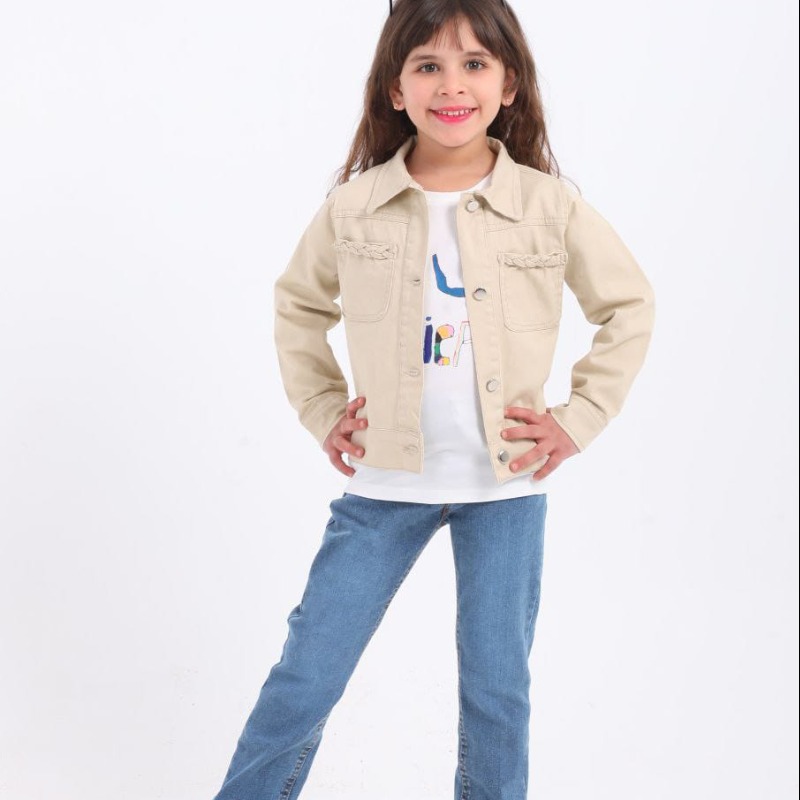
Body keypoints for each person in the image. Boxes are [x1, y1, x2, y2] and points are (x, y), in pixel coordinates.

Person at [211, 0, 655, 797]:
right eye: (428, 66)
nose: (452, 85)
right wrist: (323, 409)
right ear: (395, 88)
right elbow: (298, 306)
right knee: (307, 675)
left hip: (505, 490)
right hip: (385, 484)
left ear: (508, 84)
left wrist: (576, 420)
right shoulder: (355, 207)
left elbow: (628, 307)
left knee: (496, 693)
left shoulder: (548, 205)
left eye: (474, 64)